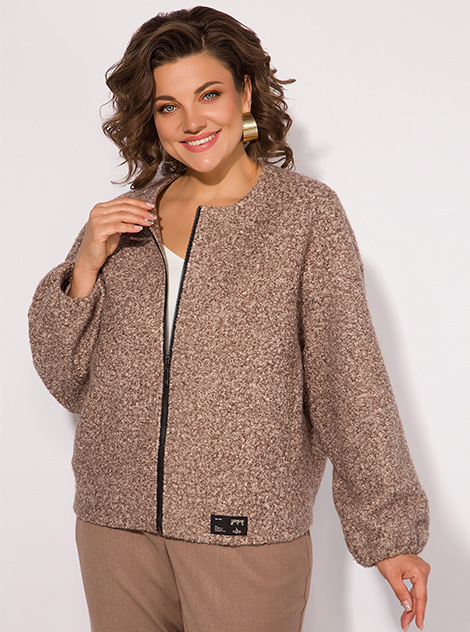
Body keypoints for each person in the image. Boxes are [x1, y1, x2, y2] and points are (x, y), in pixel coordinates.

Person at [28, 6, 430, 632]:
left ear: (245, 91)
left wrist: (389, 532)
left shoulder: (304, 215)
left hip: (244, 534)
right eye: (168, 106)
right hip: (114, 528)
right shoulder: (125, 221)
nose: (192, 122)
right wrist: (84, 266)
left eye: (208, 94)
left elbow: (347, 378)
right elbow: (67, 379)